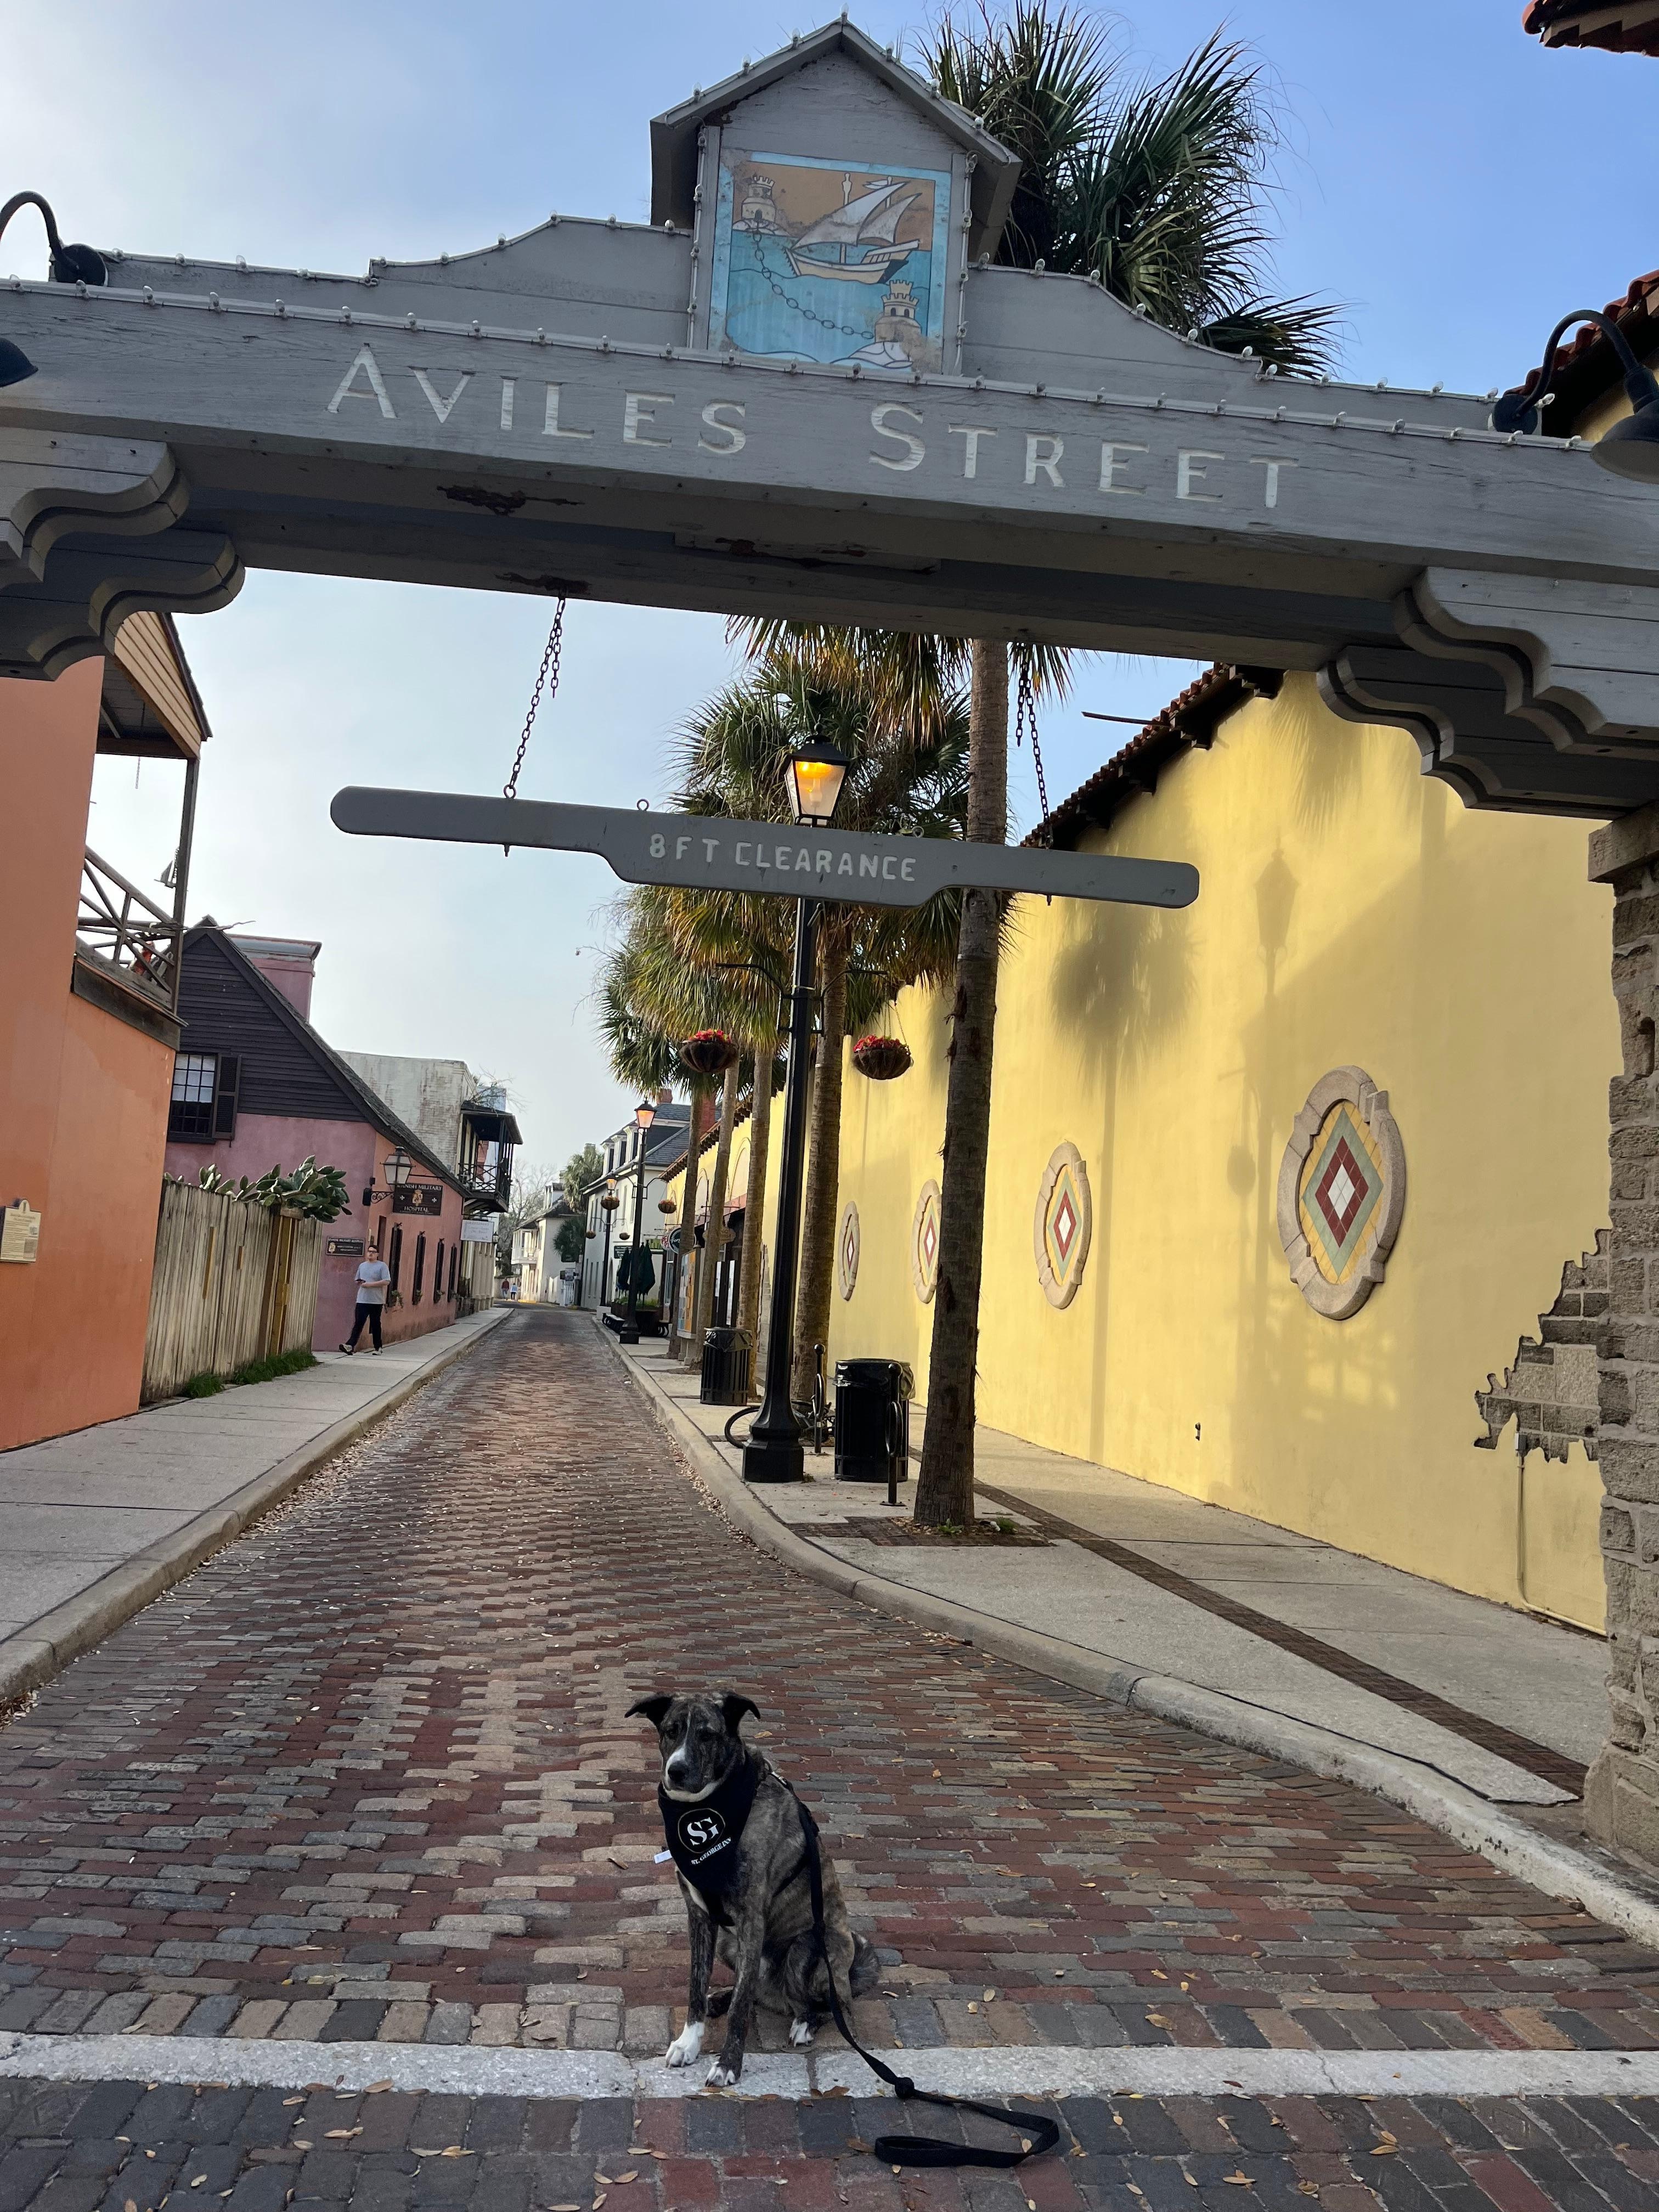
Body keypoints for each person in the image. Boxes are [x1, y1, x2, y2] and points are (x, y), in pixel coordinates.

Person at [341, 1249, 392, 1354]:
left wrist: (370, 1285)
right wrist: (360, 1282)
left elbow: (387, 1281)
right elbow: (357, 1279)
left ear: (377, 1254)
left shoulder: (382, 1266)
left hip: (376, 1301)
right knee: (359, 1323)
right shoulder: (362, 1266)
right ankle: (350, 1345)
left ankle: (378, 1347)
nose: (371, 1253)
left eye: (373, 1252)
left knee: (375, 1324)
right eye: (369, 1251)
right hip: (362, 1300)